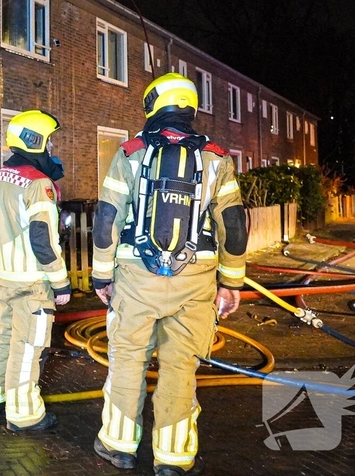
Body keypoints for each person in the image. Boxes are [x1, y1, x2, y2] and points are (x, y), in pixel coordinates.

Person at [91, 73, 247, 475]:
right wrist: (231, 282)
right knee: (181, 366)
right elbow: (233, 223)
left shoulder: (130, 152)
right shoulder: (217, 157)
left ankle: (118, 445)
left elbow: (107, 217)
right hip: (195, 280)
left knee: (127, 360)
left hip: (136, 277)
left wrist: (101, 277)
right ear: (190, 107)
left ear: (152, 105)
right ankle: (173, 457)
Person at [0, 110, 72, 432]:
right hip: (34, 282)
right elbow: (43, 240)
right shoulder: (38, 184)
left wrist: (5, 261)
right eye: (49, 141)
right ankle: (24, 415)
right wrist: (61, 284)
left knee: (4, 337)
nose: (51, 148)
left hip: (5, 277)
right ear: (36, 140)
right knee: (28, 347)